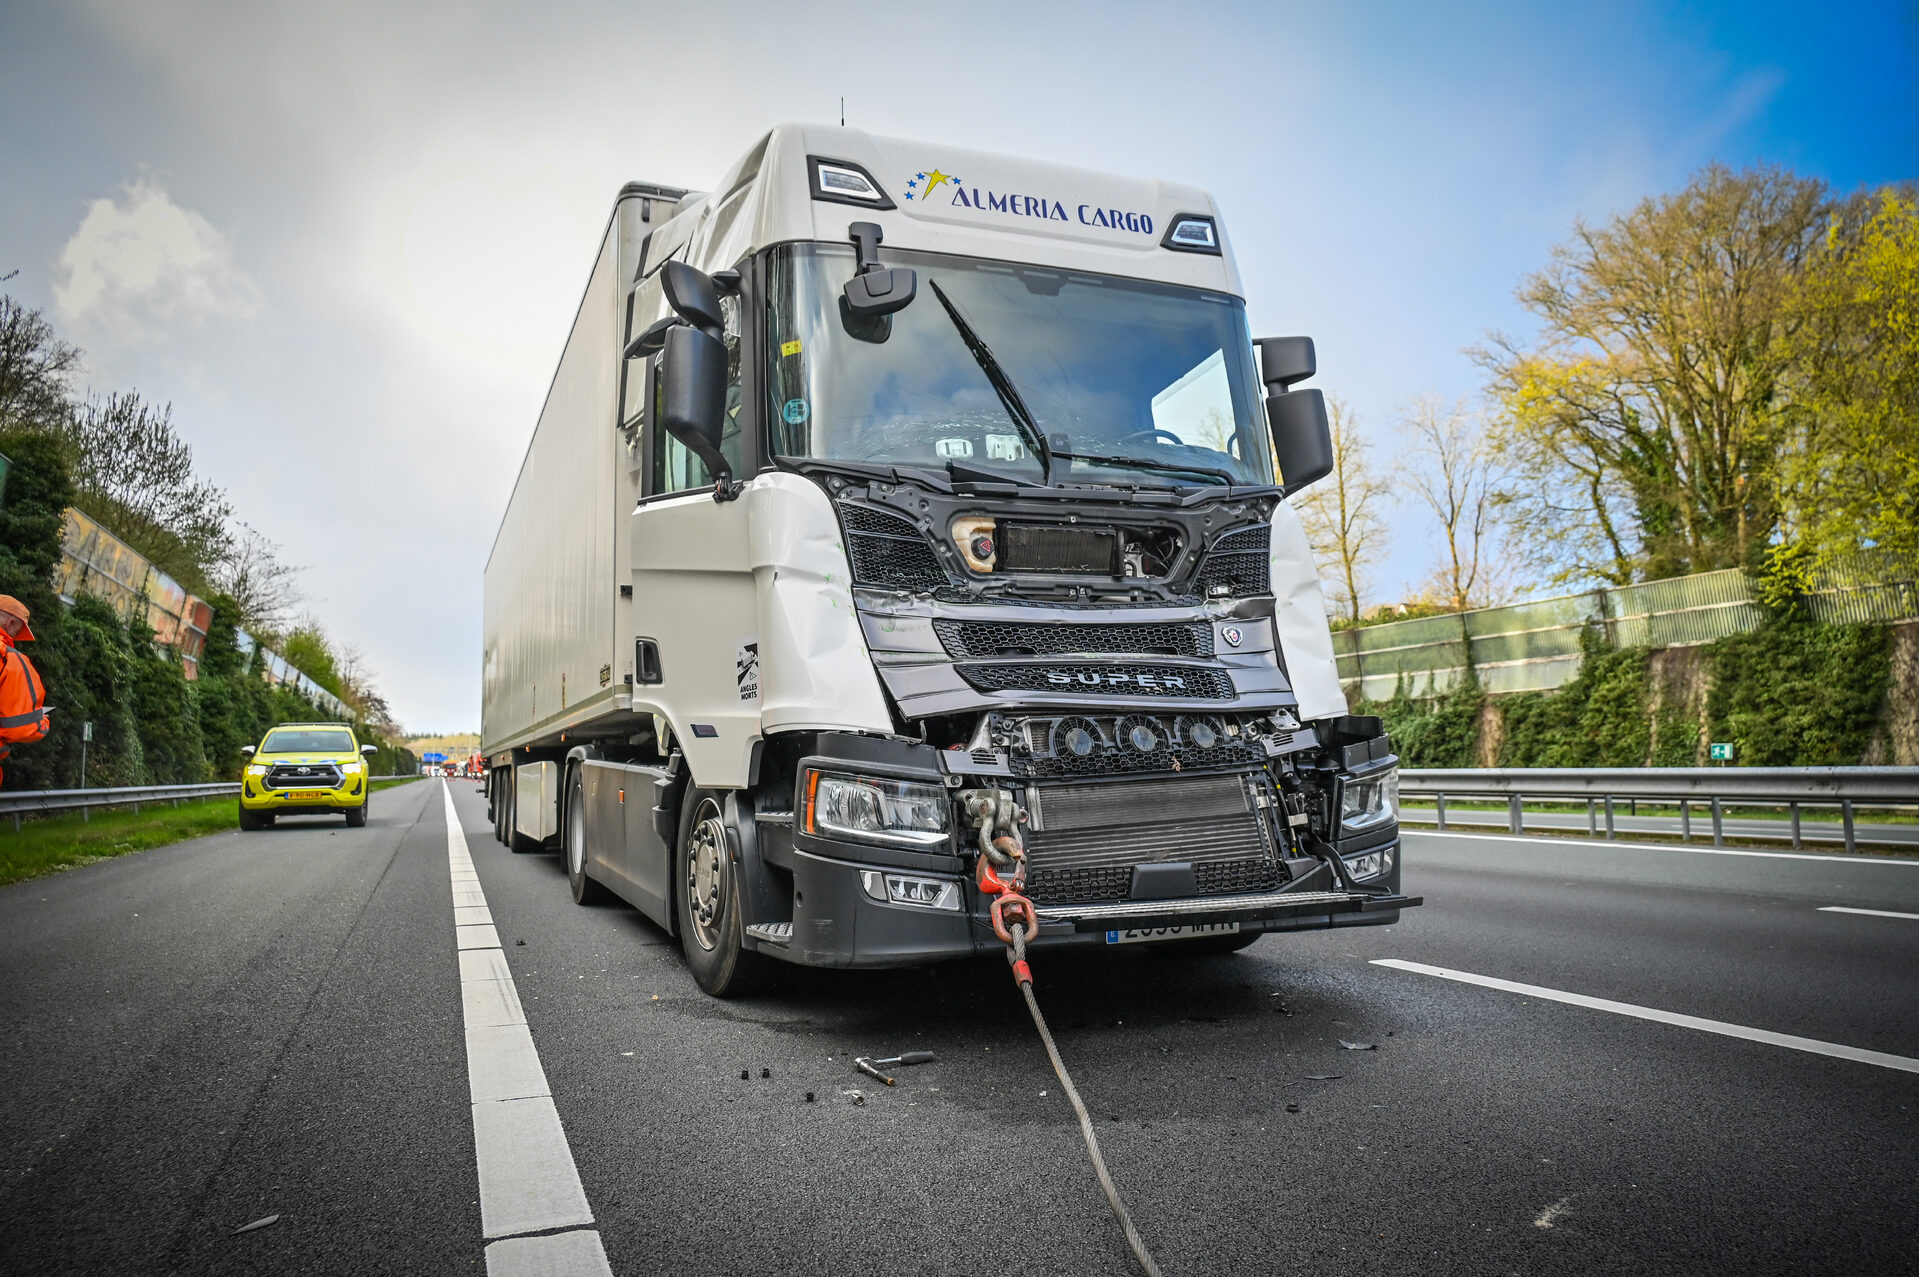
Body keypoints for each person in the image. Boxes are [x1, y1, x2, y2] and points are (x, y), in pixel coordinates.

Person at [0, 595, 52, 789]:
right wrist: (41, 720)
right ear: (10, 623)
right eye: (16, 632)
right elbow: (21, 727)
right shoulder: (8, 660)